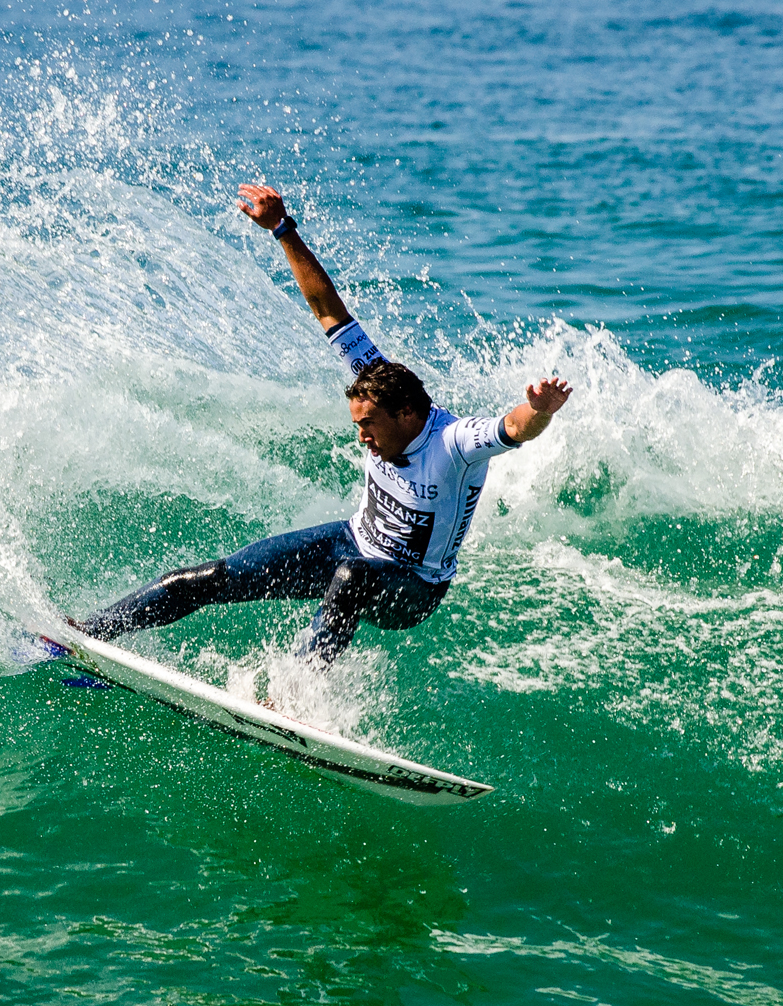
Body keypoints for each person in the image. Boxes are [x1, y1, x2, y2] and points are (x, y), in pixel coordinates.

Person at [71, 183, 573, 666]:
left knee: (352, 577)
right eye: (358, 424)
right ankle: (85, 636)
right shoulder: (376, 384)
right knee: (202, 579)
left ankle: (297, 693)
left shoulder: (452, 442)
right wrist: (282, 228)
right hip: (351, 541)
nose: (362, 437)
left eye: (370, 425)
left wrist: (541, 409)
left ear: (407, 414)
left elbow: (512, 427)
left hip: (412, 586)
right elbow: (327, 309)